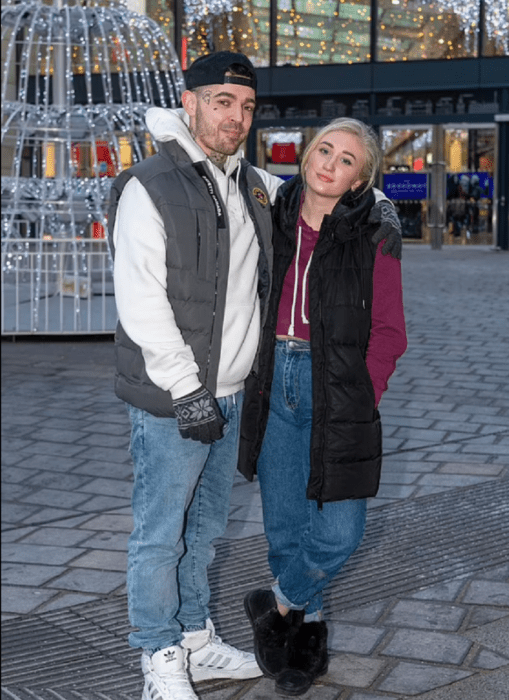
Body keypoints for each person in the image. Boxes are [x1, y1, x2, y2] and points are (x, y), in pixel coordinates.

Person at [108, 50, 402, 700]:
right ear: (189, 104)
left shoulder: (278, 197)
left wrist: (363, 388)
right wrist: (186, 391)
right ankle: (170, 656)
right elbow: (140, 300)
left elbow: (385, 318)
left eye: (245, 105)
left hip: (272, 394)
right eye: (221, 101)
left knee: (233, 531)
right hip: (209, 395)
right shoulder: (187, 188)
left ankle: (221, 630)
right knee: (178, 533)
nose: (235, 116)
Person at [240, 118, 408, 697]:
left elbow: (389, 330)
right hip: (272, 381)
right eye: (324, 150)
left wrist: (366, 391)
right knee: (286, 529)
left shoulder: (374, 233)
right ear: (309, 152)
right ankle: (300, 646)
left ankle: (275, 603)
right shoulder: (273, 211)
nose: (328, 165)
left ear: (361, 179)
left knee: (339, 531)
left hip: (335, 386)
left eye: (345, 161)